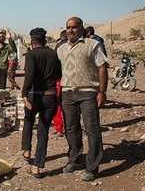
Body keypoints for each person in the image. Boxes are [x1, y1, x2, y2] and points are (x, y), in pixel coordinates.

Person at [58, 17, 108, 181]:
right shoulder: (61, 48)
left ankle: (92, 167)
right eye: (68, 27)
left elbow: (102, 67)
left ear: (81, 28)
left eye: (73, 27)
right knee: (71, 129)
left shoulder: (92, 44)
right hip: (67, 93)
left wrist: (102, 91)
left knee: (92, 129)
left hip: (88, 92)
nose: (70, 30)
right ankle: (75, 159)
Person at [21, 28, 61, 178]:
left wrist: (24, 93)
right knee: (43, 130)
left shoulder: (31, 54)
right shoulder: (53, 53)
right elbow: (59, 74)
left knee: (28, 120)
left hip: (34, 96)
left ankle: (26, 150)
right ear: (44, 39)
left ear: (32, 41)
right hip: (50, 96)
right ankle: (37, 166)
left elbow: (29, 76)